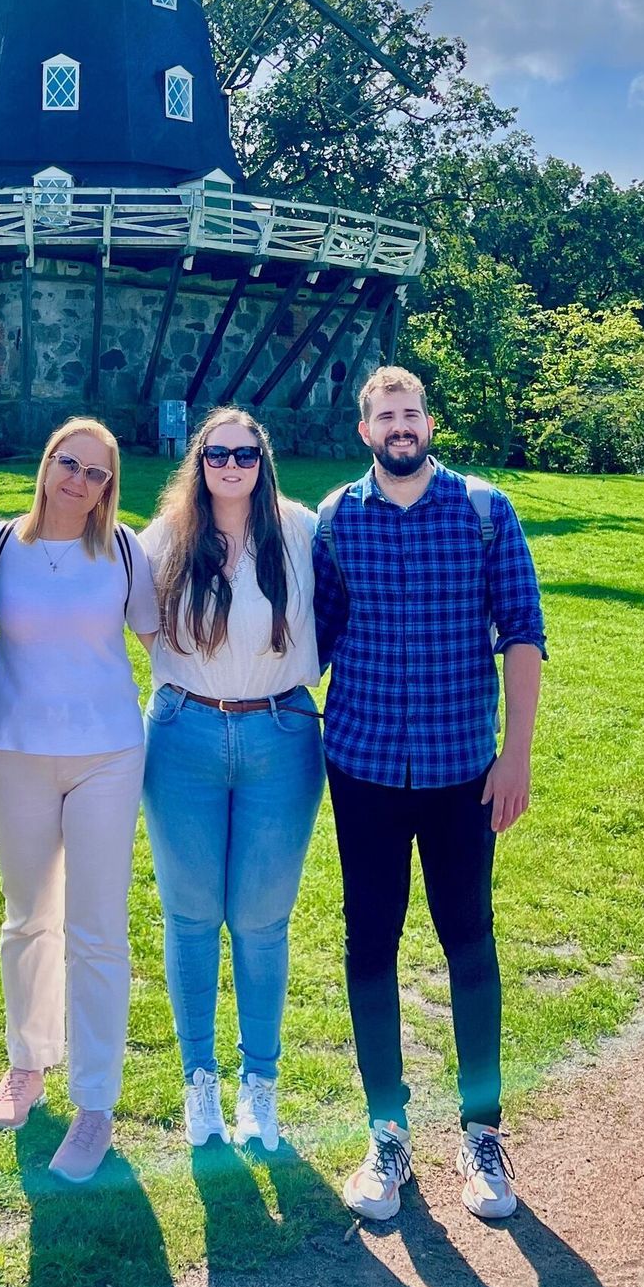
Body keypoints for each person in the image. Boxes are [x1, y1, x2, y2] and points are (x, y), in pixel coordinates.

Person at [314, 366, 546, 1224]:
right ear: (366, 428)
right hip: (364, 765)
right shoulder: (338, 520)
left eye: (412, 413)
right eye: (386, 415)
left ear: (429, 423)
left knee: (469, 938)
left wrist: (514, 754)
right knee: (369, 941)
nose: (401, 426)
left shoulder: (485, 512)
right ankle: (387, 1132)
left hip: (461, 770)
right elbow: (318, 632)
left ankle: (481, 1132)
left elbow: (523, 633)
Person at [0, 416, 158, 1184]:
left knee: (96, 929)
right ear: (46, 464)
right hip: (15, 750)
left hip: (107, 754)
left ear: (109, 487)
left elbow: (166, 641)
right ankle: (28, 1062)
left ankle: (95, 1102)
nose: (79, 481)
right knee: (27, 917)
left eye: (96, 473)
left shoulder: (123, 550)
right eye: (68, 463)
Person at [139, 409, 323, 1154]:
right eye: (218, 452)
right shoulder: (167, 536)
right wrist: (180, 667)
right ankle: (198, 1079)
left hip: (279, 734)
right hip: (184, 734)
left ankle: (261, 1084)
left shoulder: (301, 529)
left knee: (259, 920)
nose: (232, 464)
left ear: (263, 458)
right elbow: (129, 609)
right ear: (201, 457)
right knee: (189, 915)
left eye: (246, 452)